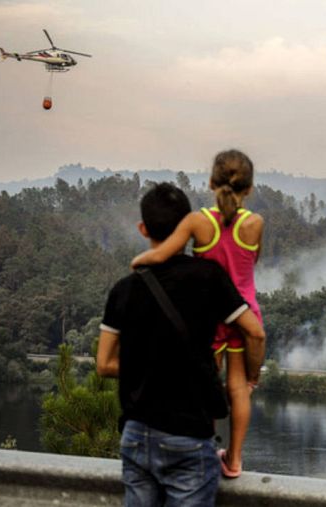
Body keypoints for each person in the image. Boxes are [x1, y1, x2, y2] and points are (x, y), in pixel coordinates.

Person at [97, 182, 266, 506]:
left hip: (136, 435)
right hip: (188, 435)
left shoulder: (124, 289)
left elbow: (104, 364)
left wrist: (149, 367)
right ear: (188, 227)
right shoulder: (208, 277)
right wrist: (252, 374)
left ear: (143, 228)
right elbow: (254, 332)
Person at [131, 149, 264, 478]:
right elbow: (252, 264)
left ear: (210, 182)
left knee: (207, 384)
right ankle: (233, 460)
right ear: (249, 188)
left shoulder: (197, 222)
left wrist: (136, 265)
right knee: (239, 387)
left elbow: (162, 255)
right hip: (245, 314)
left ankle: (205, 450)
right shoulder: (255, 224)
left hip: (206, 313)